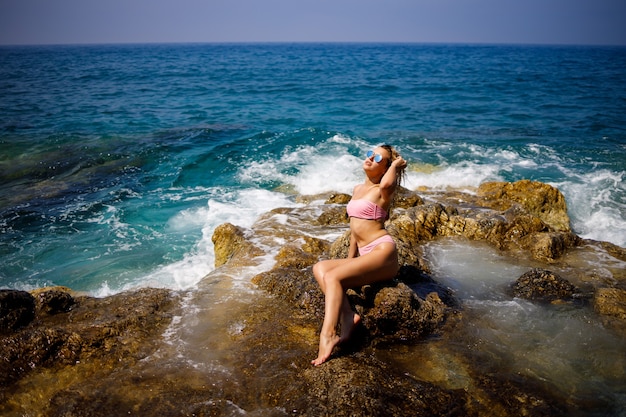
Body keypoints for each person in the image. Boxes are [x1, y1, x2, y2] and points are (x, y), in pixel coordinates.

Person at [311, 144, 407, 366]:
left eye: (378, 158)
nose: (370, 158)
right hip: (364, 254)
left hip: (382, 252)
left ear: (385, 168)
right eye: (369, 154)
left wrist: (395, 164)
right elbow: (355, 229)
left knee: (334, 278)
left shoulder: (383, 190)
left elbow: (388, 182)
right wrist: (350, 258)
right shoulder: (357, 189)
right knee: (320, 269)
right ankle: (348, 316)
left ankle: (327, 335)